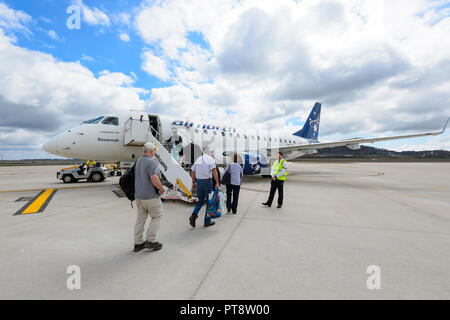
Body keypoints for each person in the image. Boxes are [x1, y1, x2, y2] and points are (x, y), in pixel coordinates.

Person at [133, 142, 166, 252]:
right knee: (157, 216)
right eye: (154, 151)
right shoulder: (151, 162)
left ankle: (138, 243)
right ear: (152, 151)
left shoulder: (138, 161)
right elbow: (154, 179)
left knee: (140, 219)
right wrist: (162, 189)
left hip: (139, 196)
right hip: (150, 196)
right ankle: (151, 240)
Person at [189, 146, 220, 228]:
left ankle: (193, 215)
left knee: (200, 201)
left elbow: (192, 171)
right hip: (207, 182)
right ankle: (207, 221)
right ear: (209, 152)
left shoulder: (198, 159)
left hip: (199, 182)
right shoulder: (210, 159)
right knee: (209, 202)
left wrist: (193, 182)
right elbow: (214, 171)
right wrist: (217, 182)